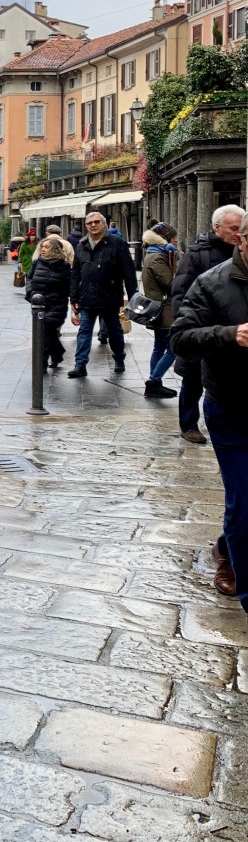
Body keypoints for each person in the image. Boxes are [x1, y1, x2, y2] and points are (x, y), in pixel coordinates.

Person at [172, 209, 248, 625]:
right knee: (245, 498)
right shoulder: (211, 281)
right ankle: (241, 577)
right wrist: (230, 334)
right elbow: (180, 338)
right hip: (232, 406)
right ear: (241, 240)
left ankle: (227, 546)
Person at [170, 204, 246, 446]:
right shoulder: (198, 255)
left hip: (233, 343)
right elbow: (180, 294)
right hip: (205, 332)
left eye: (240, 229)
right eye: (233, 228)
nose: (237, 234)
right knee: (193, 380)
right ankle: (189, 424)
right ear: (217, 227)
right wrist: (192, 325)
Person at [67, 212, 137, 378]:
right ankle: (80, 365)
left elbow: (128, 272)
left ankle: (119, 358)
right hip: (87, 297)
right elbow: (75, 273)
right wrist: (73, 298)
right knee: (84, 331)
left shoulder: (117, 244)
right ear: (86, 226)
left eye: (96, 222)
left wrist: (133, 296)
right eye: (89, 223)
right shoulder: (81, 245)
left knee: (114, 331)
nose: (93, 225)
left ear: (104, 224)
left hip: (109, 297)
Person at [141, 222, 179, 400]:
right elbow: (171, 284)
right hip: (164, 309)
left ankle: (154, 382)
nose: (176, 240)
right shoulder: (157, 257)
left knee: (159, 347)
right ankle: (154, 381)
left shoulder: (154, 254)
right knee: (172, 349)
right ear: (165, 239)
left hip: (159, 308)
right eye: (174, 237)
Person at [26, 236, 71, 369]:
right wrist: (31, 293)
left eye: (46, 247)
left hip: (56, 305)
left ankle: (42, 363)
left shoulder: (64, 266)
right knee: (45, 332)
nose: (43, 250)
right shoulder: (36, 263)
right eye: (42, 247)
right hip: (39, 304)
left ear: (55, 249)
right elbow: (29, 279)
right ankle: (57, 353)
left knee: (46, 330)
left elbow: (68, 286)